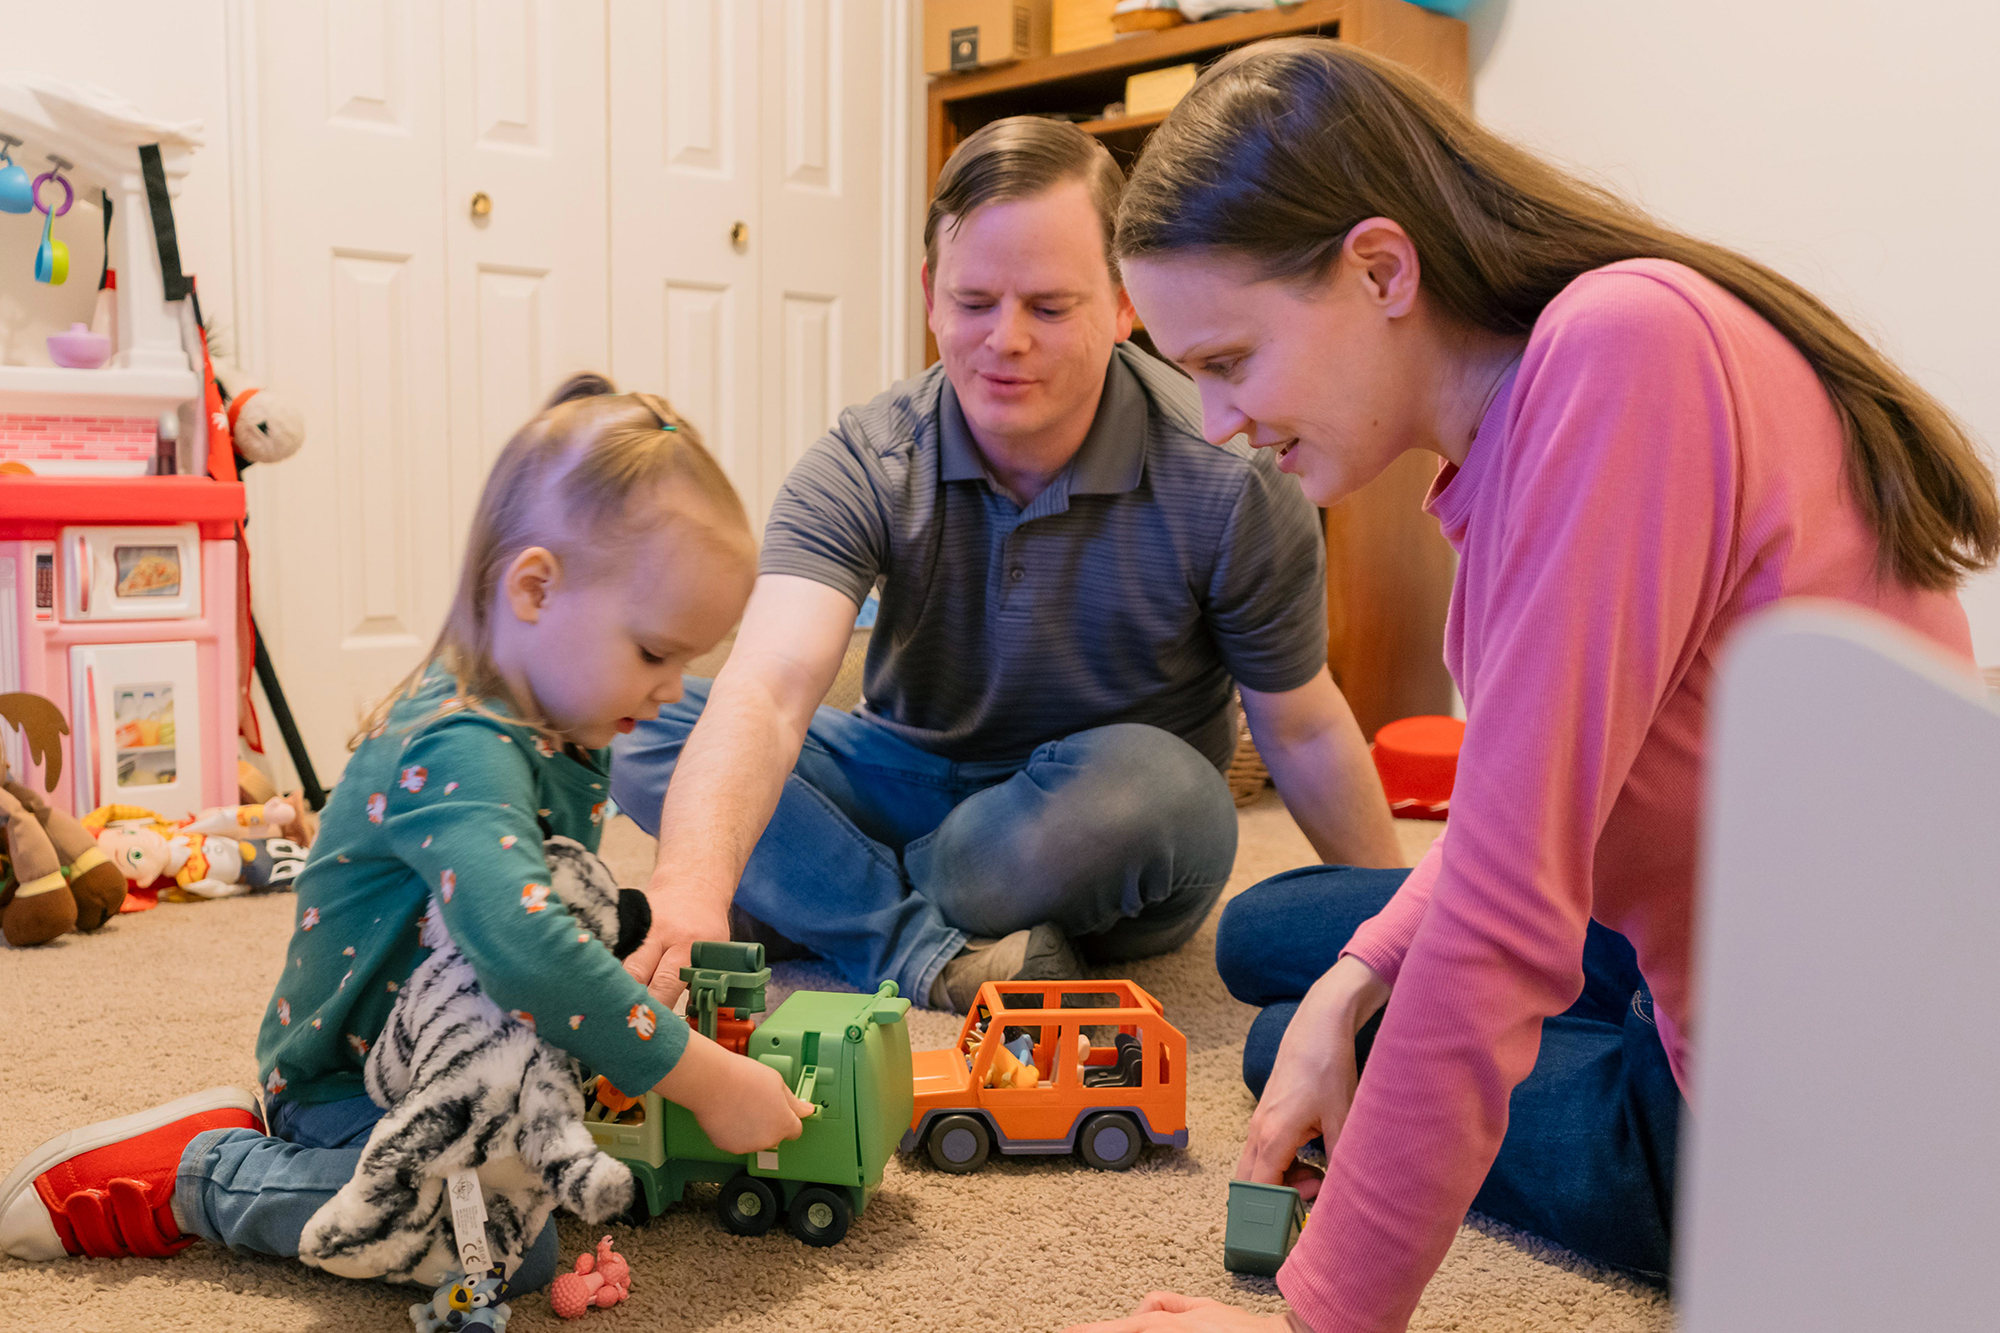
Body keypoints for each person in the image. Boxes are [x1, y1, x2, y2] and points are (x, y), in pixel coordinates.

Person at [1070, 38, 1997, 1333]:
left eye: (1228, 361)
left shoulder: (1618, 360)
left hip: (1792, 1120)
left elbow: (1508, 917)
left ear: (1380, 269)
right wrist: (1356, 980)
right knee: (1283, 943)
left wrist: (1311, 1318)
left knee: (1297, 1045)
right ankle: (1346, 995)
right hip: (1732, 922)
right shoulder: (1556, 392)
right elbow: (1525, 810)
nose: (1218, 422)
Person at [0, 377, 812, 1292]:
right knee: (498, 1251)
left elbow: (556, 905)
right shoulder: (461, 747)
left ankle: (257, 1139)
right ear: (536, 589)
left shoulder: (565, 727)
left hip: (457, 1064)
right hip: (356, 1086)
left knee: (545, 1188)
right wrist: (696, 1073)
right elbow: (527, 949)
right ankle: (197, 1177)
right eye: (655, 654)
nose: (672, 690)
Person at [614, 116, 1400, 1016]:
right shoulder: (868, 456)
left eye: (1051, 307)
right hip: (903, 773)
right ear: (929, 294)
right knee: (645, 718)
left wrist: (1399, 927)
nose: (1006, 340)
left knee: (1159, 790)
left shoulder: (1232, 477)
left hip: (1099, 821)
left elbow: (1299, 727)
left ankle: (811, 892)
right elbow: (767, 690)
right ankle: (916, 944)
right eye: (975, 301)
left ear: (1125, 300)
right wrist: (691, 880)